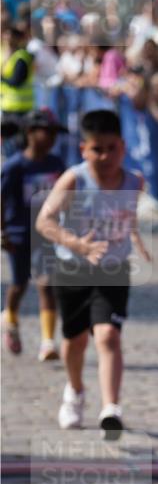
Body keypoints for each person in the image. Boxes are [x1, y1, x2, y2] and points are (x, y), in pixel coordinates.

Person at [35, 109, 150, 438]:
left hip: (113, 270)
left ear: (123, 147)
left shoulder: (135, 182)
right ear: (84, 149)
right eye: (97, 149)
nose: (105, 156)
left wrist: (136, 239)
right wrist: (77, 244)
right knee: (75, 341)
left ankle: (111, 408)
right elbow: (44, 221)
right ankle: (75, 391)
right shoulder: (74, 180)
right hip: (72, 269)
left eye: (112, 148)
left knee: (108, 335)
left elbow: (126, 215)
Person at [1, 108, 65, 358]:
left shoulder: (56, 164)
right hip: (19, 233)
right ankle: (10, 319)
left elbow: (67, 195)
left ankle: (48, 342)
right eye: (46, 132)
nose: (51, 138)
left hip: (46, 234)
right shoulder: (15, 166)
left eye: (54, 133)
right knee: (19, 284)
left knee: (46, 284)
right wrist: (2, 232)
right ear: (30, 132)